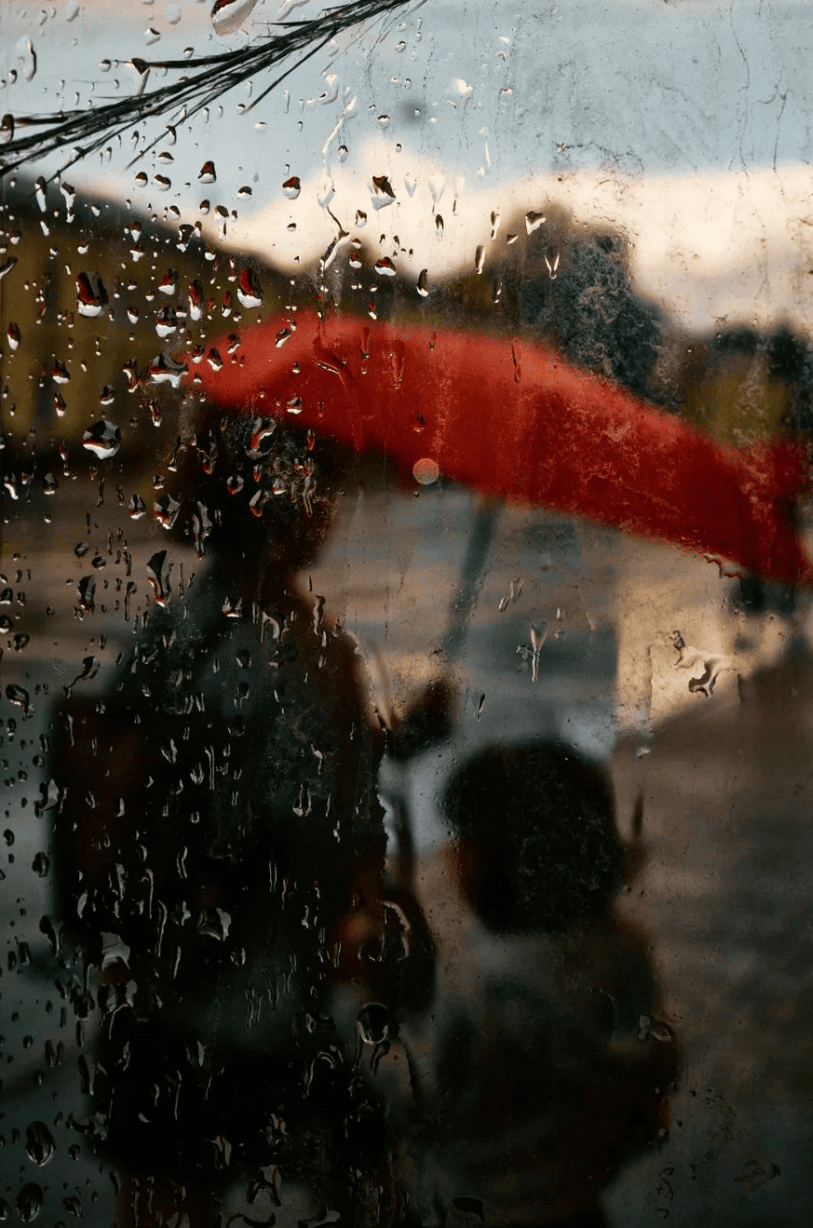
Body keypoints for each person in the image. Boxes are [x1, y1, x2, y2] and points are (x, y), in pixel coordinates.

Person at [53, 400, 392, 1226]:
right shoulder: (308, 647)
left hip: (164, 1005)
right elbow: (313, 830)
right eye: (321, 485)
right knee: (368, 1192)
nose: (332, 507)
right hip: (270, 1012)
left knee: (163, 1203)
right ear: (289, 501)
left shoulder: (173, 631)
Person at [372, 740, 677, 1228]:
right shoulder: (622, 949)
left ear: (490, 858)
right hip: (578, 1203)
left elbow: (419, 1104)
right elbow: (650, 1066)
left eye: (463, 837)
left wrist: (353, 1010)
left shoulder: (475, 985)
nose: (450, 852)